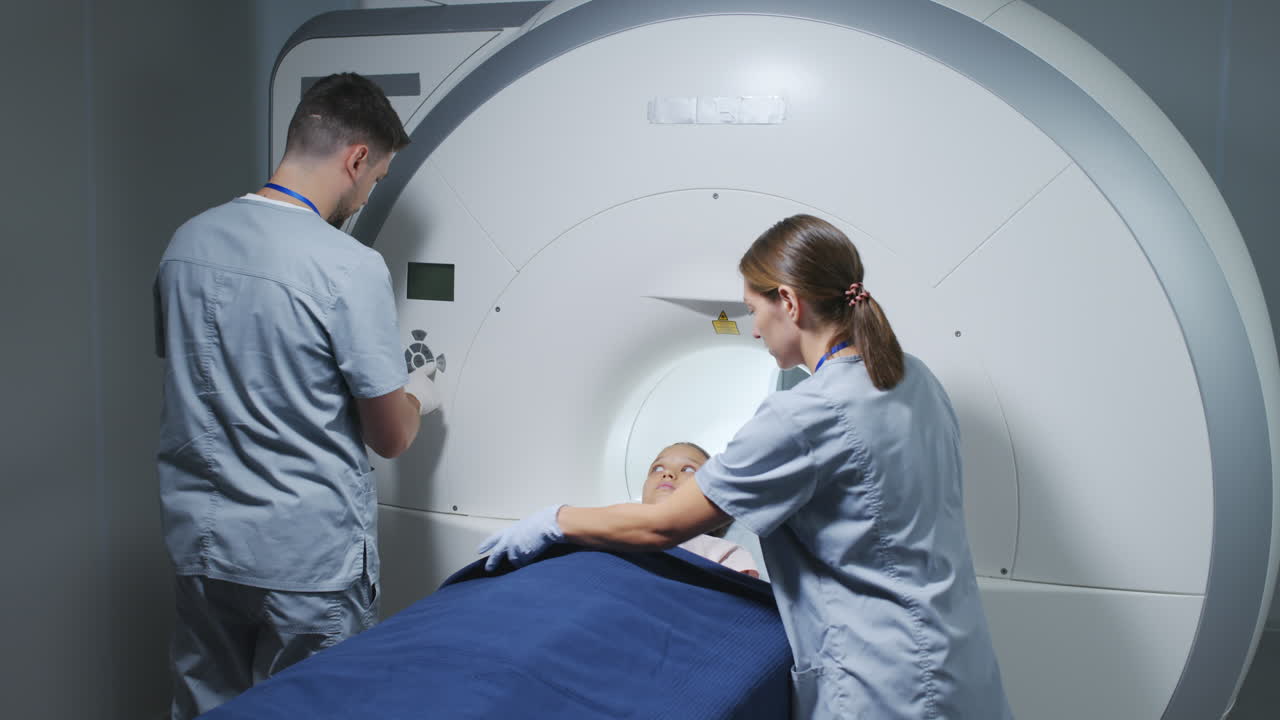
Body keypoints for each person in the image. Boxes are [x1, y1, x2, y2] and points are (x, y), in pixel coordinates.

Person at [477, 214, 1012, 718]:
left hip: (886, 683)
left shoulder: (803, 415)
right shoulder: (915, 377)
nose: (753, 330)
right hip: (959, 659)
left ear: (789, 302)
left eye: (753, 310)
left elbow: (663, 524)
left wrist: (556, 520)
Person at [154, 72, 440, 720]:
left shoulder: (187, 244)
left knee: (208, 709)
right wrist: (417, 394)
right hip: (306, 564)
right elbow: (390, 437)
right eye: (377, 178)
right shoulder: (347, 265)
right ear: (357, 159)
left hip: (205, 547)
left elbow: (203, 379)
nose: (367, 194)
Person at [643, 442, 759, 578]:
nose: (667, 473)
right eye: (657, 468)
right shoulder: (621, 535)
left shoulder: (726, 552)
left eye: (688, 469)